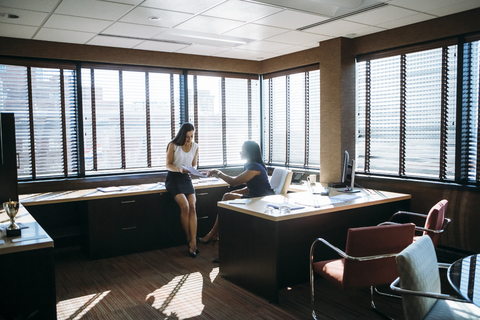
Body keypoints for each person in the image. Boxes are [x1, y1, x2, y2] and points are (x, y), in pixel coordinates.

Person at [199, 140, 274, 245]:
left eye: (242, 150)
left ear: (249, 152)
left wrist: (217, 172)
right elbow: (250, 188)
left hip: (261, 200)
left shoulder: (254, 167)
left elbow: (233, 182)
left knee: (227, 197)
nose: (240, 152)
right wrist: (235, 194)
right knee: (227, 197)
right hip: (256, 197)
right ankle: (218, 235)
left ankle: (213, 234)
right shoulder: (251, 165)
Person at [165, 122, 200, 258]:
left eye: (192, 136)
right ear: (182, 135)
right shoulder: (173, 145)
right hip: (173, 178)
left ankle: (194, 240)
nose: (190, 139)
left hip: (186, 178)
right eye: (187, 137)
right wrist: (179, 168)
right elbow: (168, 165)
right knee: (184, 206)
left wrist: (192, 170)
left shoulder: (195, 147)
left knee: (192, 206)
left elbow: (194, 164)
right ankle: (189, 240)